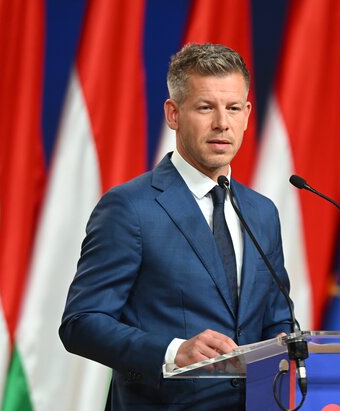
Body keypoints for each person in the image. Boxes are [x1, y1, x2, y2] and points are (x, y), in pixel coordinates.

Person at [59, 43, 292, 411]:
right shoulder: (130, 207)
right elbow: (81, 323)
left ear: (247, 115)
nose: (222, 123)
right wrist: (174, 351)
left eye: (233, 108)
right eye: (205, 107)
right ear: (173, 113)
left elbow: (277, 323)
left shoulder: (262, 212)